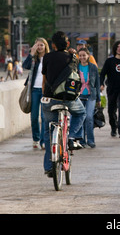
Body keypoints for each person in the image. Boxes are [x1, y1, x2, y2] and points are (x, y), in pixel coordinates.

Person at [42, 31, 86, 178]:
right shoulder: (72, 57)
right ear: (67, 44)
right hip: (68, 98)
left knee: (49, 131)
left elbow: (44, 81)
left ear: (52, 44)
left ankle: (49, 166)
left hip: (50, 98)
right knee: (80, 113)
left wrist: (45, 96)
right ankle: (72, 138)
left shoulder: (47, 57)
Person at [100, 40, 120, 138]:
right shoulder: (109, 61)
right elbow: (102, 74)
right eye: (117, 47)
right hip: (111, 88)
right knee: (111, 110)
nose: (119, 48)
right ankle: (114, 128)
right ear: (115, 48)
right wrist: (101, 84)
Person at [23, 38, 49, 149]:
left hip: (45, 90)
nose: (39, 47)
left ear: (45, 46)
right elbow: (26, 66)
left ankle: (43, 141)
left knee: (44, 117)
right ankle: (36, 139)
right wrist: (31, 54)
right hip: (34, 89)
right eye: (37, 45)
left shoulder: (49, 58)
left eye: (41, 45)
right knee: (34, 117)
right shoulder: (34, 58)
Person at [76, 47, 101, 148]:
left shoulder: (93, 67)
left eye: (84, 55)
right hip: (79, 95)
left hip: (91, 95)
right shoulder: (76, 67)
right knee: (81, 118)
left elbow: (97, 84)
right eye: (80, 55)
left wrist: (98, 99)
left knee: (89, 117)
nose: (82, 57)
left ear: (88, 56)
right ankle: (81, 140)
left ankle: (90, 140)